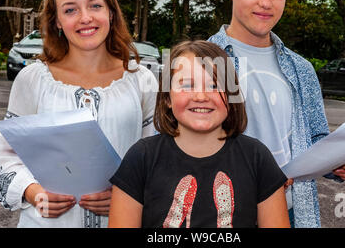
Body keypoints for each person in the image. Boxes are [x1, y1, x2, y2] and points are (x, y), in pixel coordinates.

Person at [208, 0, 345, 228]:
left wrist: (340, 163)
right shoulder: (198, 63)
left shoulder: (302, 69)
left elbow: (315, 140)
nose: (266, 2)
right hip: (220, 215)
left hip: (292, 213)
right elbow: (173, 144)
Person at [0, 0, 158, 228]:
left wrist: (129, 195)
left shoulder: (141, 80)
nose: (85, 18)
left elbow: (158, 159)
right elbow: (3, 157)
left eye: (95, 5)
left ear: (111, 12)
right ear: (56, 21)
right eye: (70, 10)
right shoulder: (32, 79)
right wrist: (34, 192)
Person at [108, 40, 290, 228]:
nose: (201, 97)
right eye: (187, 85)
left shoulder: (257, 157)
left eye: (213, 86)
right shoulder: (141, 158)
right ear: (167, 97)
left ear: (230, 94)